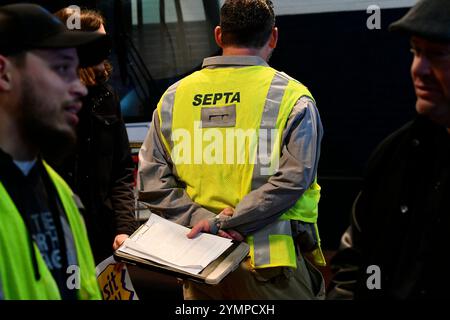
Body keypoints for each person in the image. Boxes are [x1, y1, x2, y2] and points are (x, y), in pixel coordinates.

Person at [138, 0, 326, 299]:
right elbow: (292, 180)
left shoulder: (174, 98)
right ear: (273, 36)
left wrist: (205, 223)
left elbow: (150, 182)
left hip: (198, 265)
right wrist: (226, 223)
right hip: (268, 267)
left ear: (218, 36)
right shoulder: (293, 98)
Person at [330, 0, 450, 299]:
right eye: (415, 51)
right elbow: (353, 261)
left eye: (436, 54)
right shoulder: (395, 155)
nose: (418, 69)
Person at [0, 3, 110, 299]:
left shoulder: (61, 194)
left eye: (76, 71)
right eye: (62, 68)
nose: (80, 88)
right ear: (4, 73)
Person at [51, 8, 138, 264]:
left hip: (103, 234)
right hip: (61, 232)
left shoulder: (106, 96)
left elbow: (121, 170)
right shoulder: (46, 100)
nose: (106, 50)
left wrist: (124, 227)